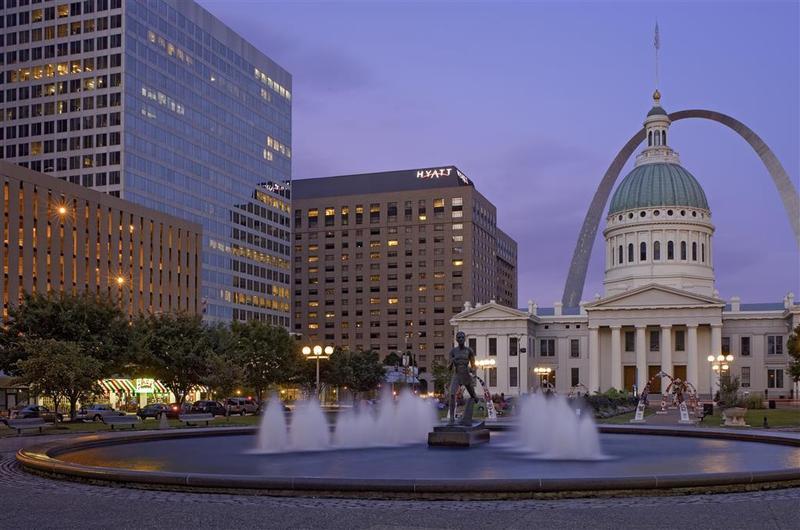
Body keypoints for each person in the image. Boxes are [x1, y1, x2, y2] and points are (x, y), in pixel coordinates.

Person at [447, 331, 479, 425]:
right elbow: (448, 368)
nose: (460, 339)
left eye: (462, 337)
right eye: (459, 338)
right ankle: (452, 418)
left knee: (473, 395)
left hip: (465, 374)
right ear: (456, 339)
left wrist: (472, 371)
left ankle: (476, 398)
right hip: (456, 374)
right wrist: (452, 361)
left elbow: (473, 365)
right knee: (452, 394)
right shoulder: (453, 351)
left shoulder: (469, 351)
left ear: (465, 339)